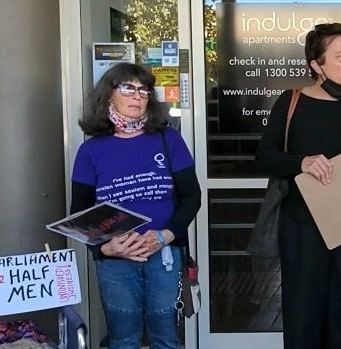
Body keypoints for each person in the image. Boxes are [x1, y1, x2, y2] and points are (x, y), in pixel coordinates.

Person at [256, 23, 341, 349]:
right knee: (305, 316)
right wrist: (301, 162)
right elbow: (264, 158)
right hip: (303, 230)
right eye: (340, 56)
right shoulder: (291, 103)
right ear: (316, 65)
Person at [70, 62, 201, 349]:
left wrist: (164, 236)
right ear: (108, 95)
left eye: (144, 90)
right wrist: (104, 248)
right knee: (124, 341)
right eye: (128, 88)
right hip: (116, 261)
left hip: (164, 254)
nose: (138, 96)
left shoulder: (169, 139)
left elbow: (192, 196)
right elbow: (78, 215)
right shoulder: (90, 151)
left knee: (166, 339)